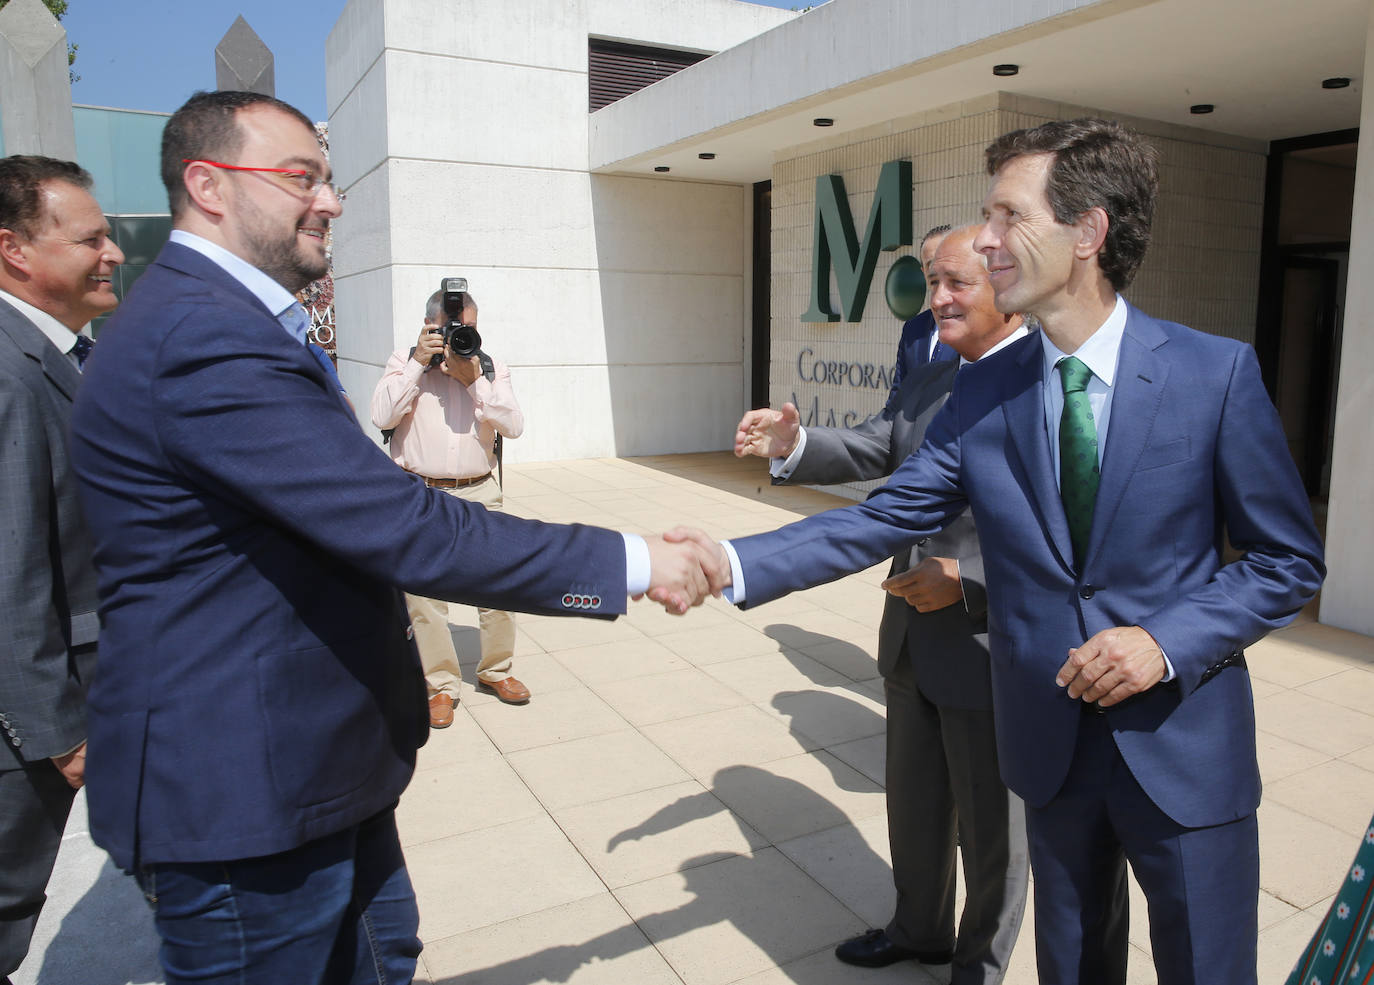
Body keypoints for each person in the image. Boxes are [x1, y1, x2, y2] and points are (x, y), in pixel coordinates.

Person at [68, 89, 724, 985]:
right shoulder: (201, 335)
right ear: (208, 185)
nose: (331, 201)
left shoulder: (222, 321)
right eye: (301, 177)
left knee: (385, 959)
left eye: (332, 181)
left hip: (312, 770)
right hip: (245, 796)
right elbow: (401, 522)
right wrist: (639, 560)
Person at [697, 118, 1325, 985]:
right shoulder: (985, 385)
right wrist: (727, 563)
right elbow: (889, 513)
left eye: (1006, 216)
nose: (984, 240)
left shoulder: (1214, 374)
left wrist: (1164, 640)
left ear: (1087, 232)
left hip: (1184, 749)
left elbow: (1286, 562)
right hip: (1050, 748)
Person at [735, 224, 1029, 983]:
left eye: (953, 282)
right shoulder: (937, 368)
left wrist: (968, 578)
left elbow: (1071, 534)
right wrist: (795, 447)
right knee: (917, 803)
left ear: (1009, 281)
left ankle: (979, 965)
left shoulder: (1048, 383)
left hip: (987, 642)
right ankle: (920, 928)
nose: (935, 299)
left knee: (993, 831)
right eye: (931, 282)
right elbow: (880, 445)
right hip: (909, 627)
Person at [0, 155, 123, 984]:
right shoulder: (8, 372)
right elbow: (8, 573)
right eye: (91, 238)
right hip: (25, 735)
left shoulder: (61, 356)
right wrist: (60, 731)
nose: (112, 252)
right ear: (14, 249)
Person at [371, 290, 530, 720]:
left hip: (479, 491)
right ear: (429, 327)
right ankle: (440, 684)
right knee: (423, 596)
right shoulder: (404, 362)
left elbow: (514, 426)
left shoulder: (489, 367)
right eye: (451, 329)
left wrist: (473, 380)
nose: (462, 335)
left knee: (499, 584)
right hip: (420, 493)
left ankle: (495, 670)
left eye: (469, 328)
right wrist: (417, 366)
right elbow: (381, 416)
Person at [886, 223, 957, 406]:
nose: (937, 271)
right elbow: (896, 403)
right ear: (923, 272)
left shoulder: (979, 329)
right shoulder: (913, 330)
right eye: (931, 266)